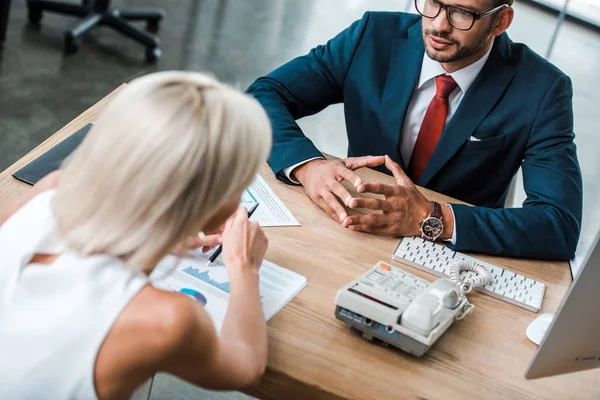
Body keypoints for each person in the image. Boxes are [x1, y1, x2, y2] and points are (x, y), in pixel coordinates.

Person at [0, 71, 273, 400]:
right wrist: (244, 267)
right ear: (206, 198)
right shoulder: (169, 320)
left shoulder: (50, 192)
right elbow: (245, 368)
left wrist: (159, 233)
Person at [246, 0, 583, 261]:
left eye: (462, 14)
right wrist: (309, 166)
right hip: (350, 229)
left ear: (500, 20)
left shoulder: (542, 89)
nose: (438, 24)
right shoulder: (371, 35)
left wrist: (433, 217)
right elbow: (263, 96)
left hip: (451, 257)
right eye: (433, 2)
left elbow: (559, 225)